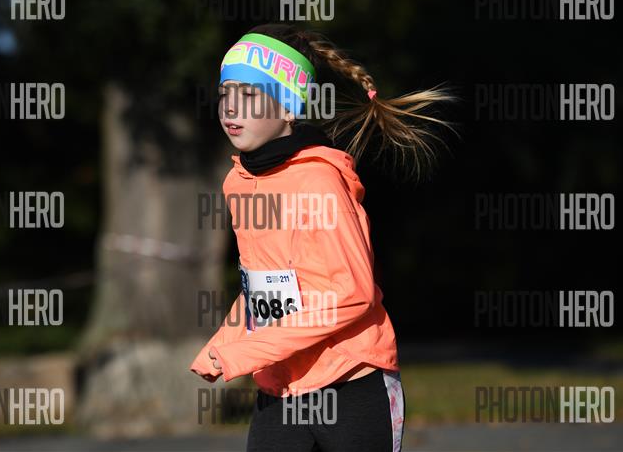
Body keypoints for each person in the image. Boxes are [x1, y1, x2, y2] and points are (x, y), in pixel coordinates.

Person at [190, 23, 453, 451]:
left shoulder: (320, 182)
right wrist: (224, 343)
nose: (230, 107)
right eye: (225, 93)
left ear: (288, 107)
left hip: (351, 386)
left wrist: (245, 352)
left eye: (250, 95)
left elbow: (352, 294)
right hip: (281, 388)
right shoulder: (238, 183)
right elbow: (261, 286)